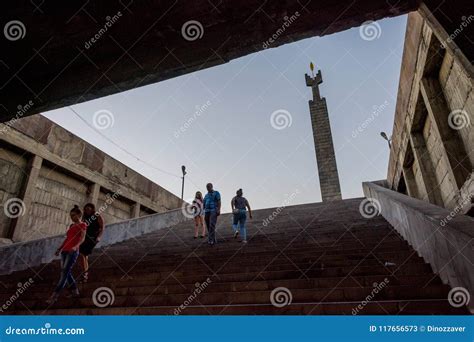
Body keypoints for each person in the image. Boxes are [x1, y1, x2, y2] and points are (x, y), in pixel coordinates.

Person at [47, 205, 86, 304]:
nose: (72, 217)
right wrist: (59, 248)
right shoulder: (71, 226)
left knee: (64, 272)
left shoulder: (83, 225)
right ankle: (75, 290)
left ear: (79, 215)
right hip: (64, 251)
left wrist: (76, 246)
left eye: (73, 215)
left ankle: (54, 296)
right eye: (70, 215)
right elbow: (67, 239)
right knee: (65, 271)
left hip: (72, 251)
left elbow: (82, 238)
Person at [78, 203, 105, 282]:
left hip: (93, 237)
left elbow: (102, 227)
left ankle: (85, 273)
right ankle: (85, 273)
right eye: (86, 210)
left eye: (89, 209)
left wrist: (99, 237)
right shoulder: (85, 217)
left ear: (92, 209)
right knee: (84, 255)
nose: (87, 211)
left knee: (81, 253)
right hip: (85, 237)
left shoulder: (97, 215)